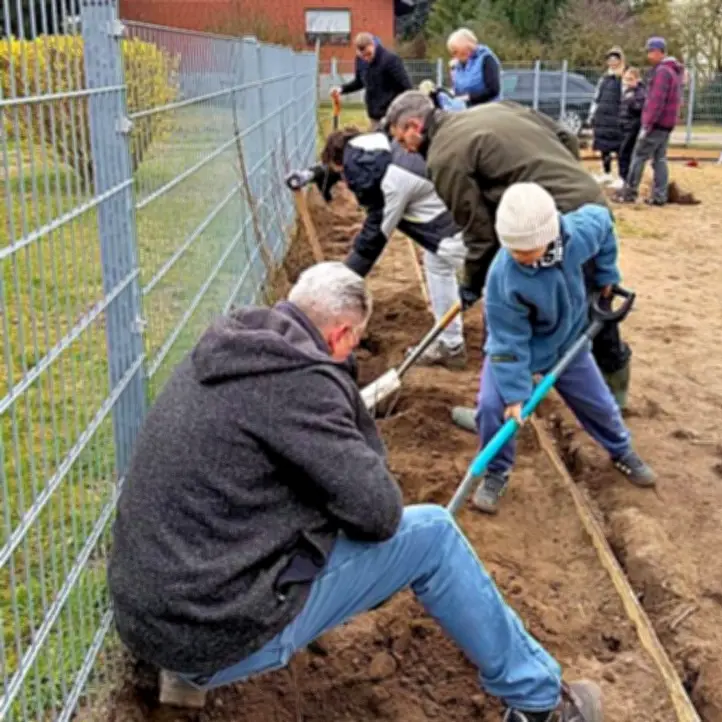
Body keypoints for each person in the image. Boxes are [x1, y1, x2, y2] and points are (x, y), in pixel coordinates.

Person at [108, 261, 604, 722]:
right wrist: (338, 395)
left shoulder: (231, 350)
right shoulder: (300, 385)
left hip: (152, 616)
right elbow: (380, 515)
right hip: (209, 633)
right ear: (340, 333)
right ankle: (542, 704)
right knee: (432, 533)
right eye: (354, 344)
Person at [384, 91, 634, 411]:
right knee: (596, 300)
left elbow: (479, 233)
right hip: (590, 203)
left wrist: (471, 284)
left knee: (504, 309)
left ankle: (497, 405)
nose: (403, 148)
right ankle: (616, 390)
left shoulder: (443, 158)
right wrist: (561, 178)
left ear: (414, 126)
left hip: (547, 223)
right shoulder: (493, 109)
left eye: (400, 137)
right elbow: (565, 137)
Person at [470, 183, 655, 512]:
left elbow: (603, 220)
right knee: (491, 408)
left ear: (550, 234)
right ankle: (496, 472)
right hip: (518, 352)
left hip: (568, 342)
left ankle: (621, 450)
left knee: (600, 405)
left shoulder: (577, 236)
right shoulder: (503, 276)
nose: (521, 258)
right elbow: (507, 340)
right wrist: (514, 395)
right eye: (514, 250)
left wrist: (607, 274)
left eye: (529, 251)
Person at [286, 129, 468, 368]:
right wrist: (319, 173)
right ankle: (451, 344)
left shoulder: (388, 185)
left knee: (496, 283)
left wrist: (336, 286)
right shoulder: (380, 151)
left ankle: (510, 357)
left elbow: (372, 241)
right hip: (454, 218)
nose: (347, 183)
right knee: (439, 263)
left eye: (345, 176)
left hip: (460, 232)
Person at [615, 37, 684, 206]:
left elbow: (655, 101)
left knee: (638, 156)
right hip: (666, 124)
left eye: (650, 51)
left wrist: (647, 124)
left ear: (659, 52)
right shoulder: (673, 71)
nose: (648, 55)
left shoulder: (662, 72)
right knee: (659, 159)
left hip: (656, 124)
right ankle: (660, 196)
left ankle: (629, 193)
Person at [331, 32, 412, 131]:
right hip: (374, 116)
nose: (366, 58)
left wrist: (399, 111)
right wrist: (341, 89)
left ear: (373, 45)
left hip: (392, 117)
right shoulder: (360, 61)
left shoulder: (391, 60)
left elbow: (406, 87)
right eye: (363, 56)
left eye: (368, 54)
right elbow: (359, 82)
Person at [589, 47, 625, 184]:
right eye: (610, 59)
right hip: (602, 118)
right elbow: (596, 97)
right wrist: (592, 114)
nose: (612, 62)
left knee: (620, 149)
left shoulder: (623, 77)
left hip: (617, 119)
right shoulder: (603, 78)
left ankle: (622, 177)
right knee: (604, 148)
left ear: (620, 60)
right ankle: (606, 172)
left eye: (615, 59)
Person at [447, 28, 502, 107]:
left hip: (488, 109)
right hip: (465, 110)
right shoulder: (456, 66)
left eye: (455, 51)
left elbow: (493, 90)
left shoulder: (486, 59)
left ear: (466, 47)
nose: (454, 55)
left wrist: (468, 98)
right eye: (452, 52)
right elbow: (457, 92)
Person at [618, 67, 646, 183]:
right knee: (623, 153)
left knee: (626, 153)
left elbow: (639, 108)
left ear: (637, 79)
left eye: (630, 79)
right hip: (624, 126)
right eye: (625, 79)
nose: (627, 82)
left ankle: (626, 179)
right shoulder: (627, 92)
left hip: (633, 127)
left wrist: (631, 101)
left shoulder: (640, 92)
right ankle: (624, 178)